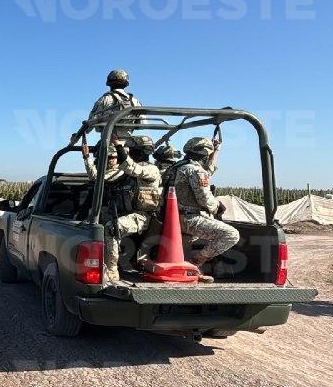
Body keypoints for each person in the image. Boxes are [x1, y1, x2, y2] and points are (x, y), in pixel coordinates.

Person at [172, 137, 239, 281]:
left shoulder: (178, 167)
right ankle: (195, 263)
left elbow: (207, 172)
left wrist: (216, 151)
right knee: (231, 234)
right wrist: (217, 207)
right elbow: (205, 199)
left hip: (175, 217)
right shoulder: (195, 170)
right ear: (203, 154)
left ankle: (188, 268)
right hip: (190, 218)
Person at [100, 135, 161, 281]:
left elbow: (130, 167)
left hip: (143, 216)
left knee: (112, 228)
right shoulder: (132, 169)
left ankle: (112, 271)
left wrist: (118, 146)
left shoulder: (150, 169)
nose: (129, 152)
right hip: (128, 212)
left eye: (131, 150)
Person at [88, 70, 142, 138]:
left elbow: (90, 123)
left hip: (108, 142)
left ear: (109, 83)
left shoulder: (104, 99)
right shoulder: (135, 101)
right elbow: (142, 124)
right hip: (129, 143)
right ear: (126, 83)